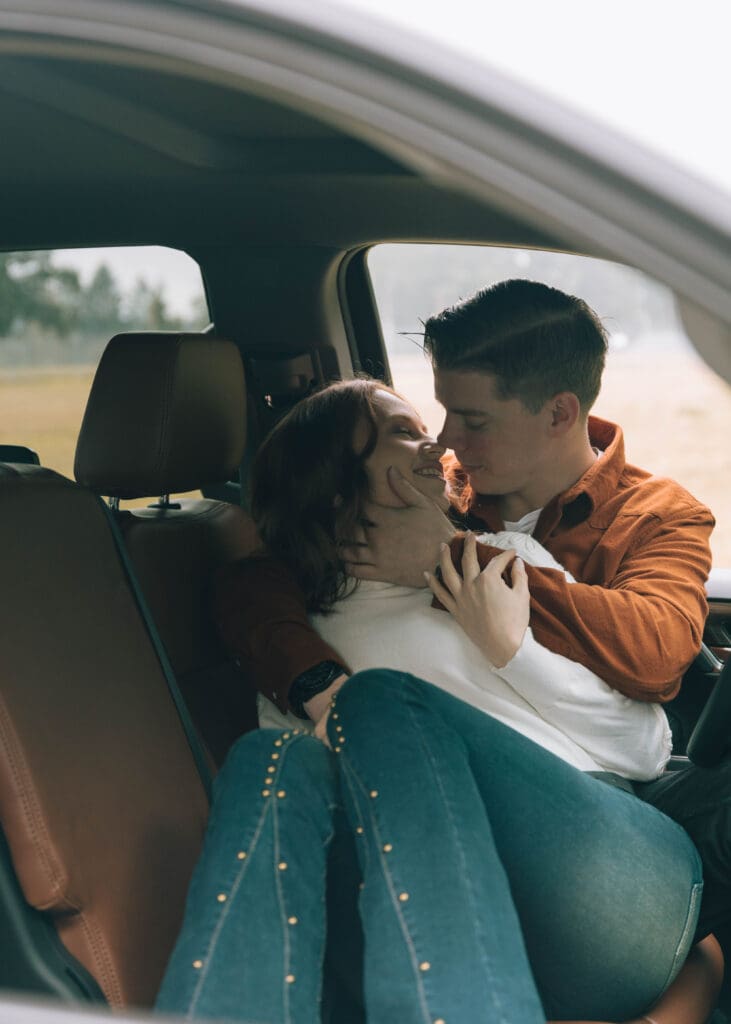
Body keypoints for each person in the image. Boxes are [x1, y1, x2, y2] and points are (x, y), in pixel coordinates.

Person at [157, 378, 713, 1024]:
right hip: (442, 916)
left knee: (381, 701)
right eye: (403, 431)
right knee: (267, 759)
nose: (436, 446)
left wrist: (511, 650)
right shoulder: (296, 637)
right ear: (337, 483)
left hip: (617, 887)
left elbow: (645, 750)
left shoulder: (504, 561)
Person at [220, 279, 726, 949]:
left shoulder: (654, 515)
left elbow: (657, 658)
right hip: (488, 816)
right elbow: (258, 579)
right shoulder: (430, 496)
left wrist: (452, 561)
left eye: (472, 420)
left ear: (557, 413)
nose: (446, 439)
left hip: (617, 787)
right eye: (438, 414)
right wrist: (322, 689)